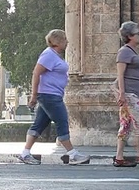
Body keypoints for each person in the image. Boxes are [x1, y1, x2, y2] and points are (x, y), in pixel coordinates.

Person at [18, 29, 90, 165]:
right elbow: (36, 73)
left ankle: (25, 153)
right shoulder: (48, 55)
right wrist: (34, 95)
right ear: (58, 41)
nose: (67, 42)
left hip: (52, 94)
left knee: (39, 124)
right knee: (62, 121)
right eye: (65, 39)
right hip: (49, 95)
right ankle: (73, 155)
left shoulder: (55, 55)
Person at [113, 21, 139, 167]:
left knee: (126, 125)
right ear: (129, 36)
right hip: (129, 94)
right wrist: (121, 93)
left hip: (133, 94)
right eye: (137, 33)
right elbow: (120, 74)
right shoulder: (124, 51)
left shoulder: (133, 52)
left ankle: (119, 157)